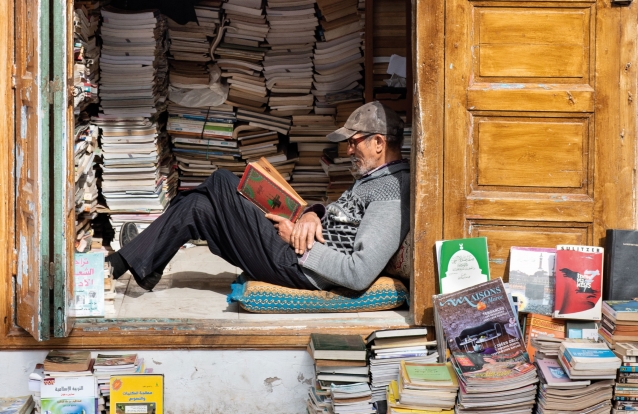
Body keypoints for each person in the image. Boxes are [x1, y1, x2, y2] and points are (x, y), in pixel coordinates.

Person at [106, 101, 410, 292]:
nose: (348, 150)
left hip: (299, 265)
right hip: (296, 252)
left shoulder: (392, 193)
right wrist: (311, 212)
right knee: (199, 207)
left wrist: (297, 244)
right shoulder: (374, 179)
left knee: (222, 181)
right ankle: (134, 265)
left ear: (379, 143)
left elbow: (358, 273)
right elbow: (344, 220)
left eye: (354, 143)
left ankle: (131, 255)